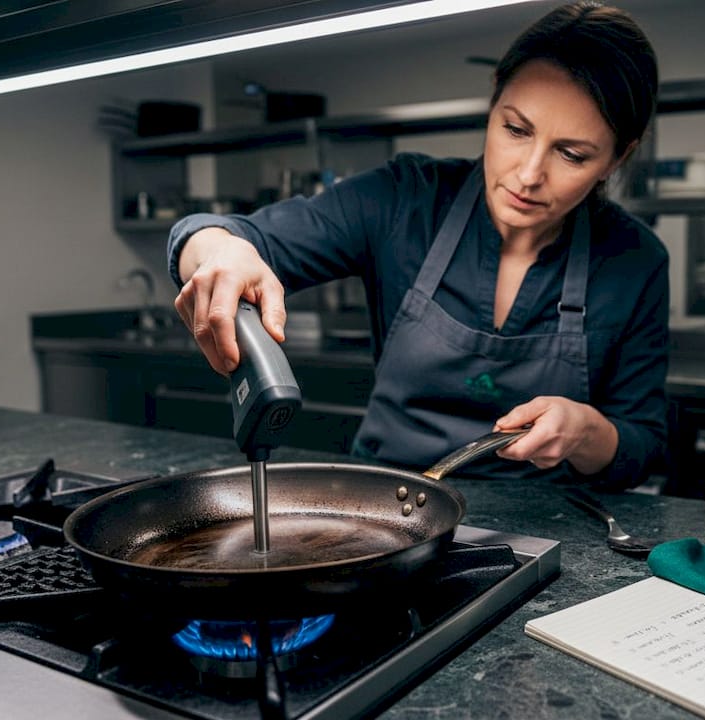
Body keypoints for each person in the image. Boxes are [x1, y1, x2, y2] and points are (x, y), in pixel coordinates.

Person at [168, 1, 668, 489]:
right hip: (385, 507)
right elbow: (219, 233)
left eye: (571, 154)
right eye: (515, 129)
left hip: (548, 526)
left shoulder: (634, 260)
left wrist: (586, 432)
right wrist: (221, 251)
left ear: (616, 157)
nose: (529, 174)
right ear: (493, 100)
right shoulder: (403, 198)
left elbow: (640, 446)